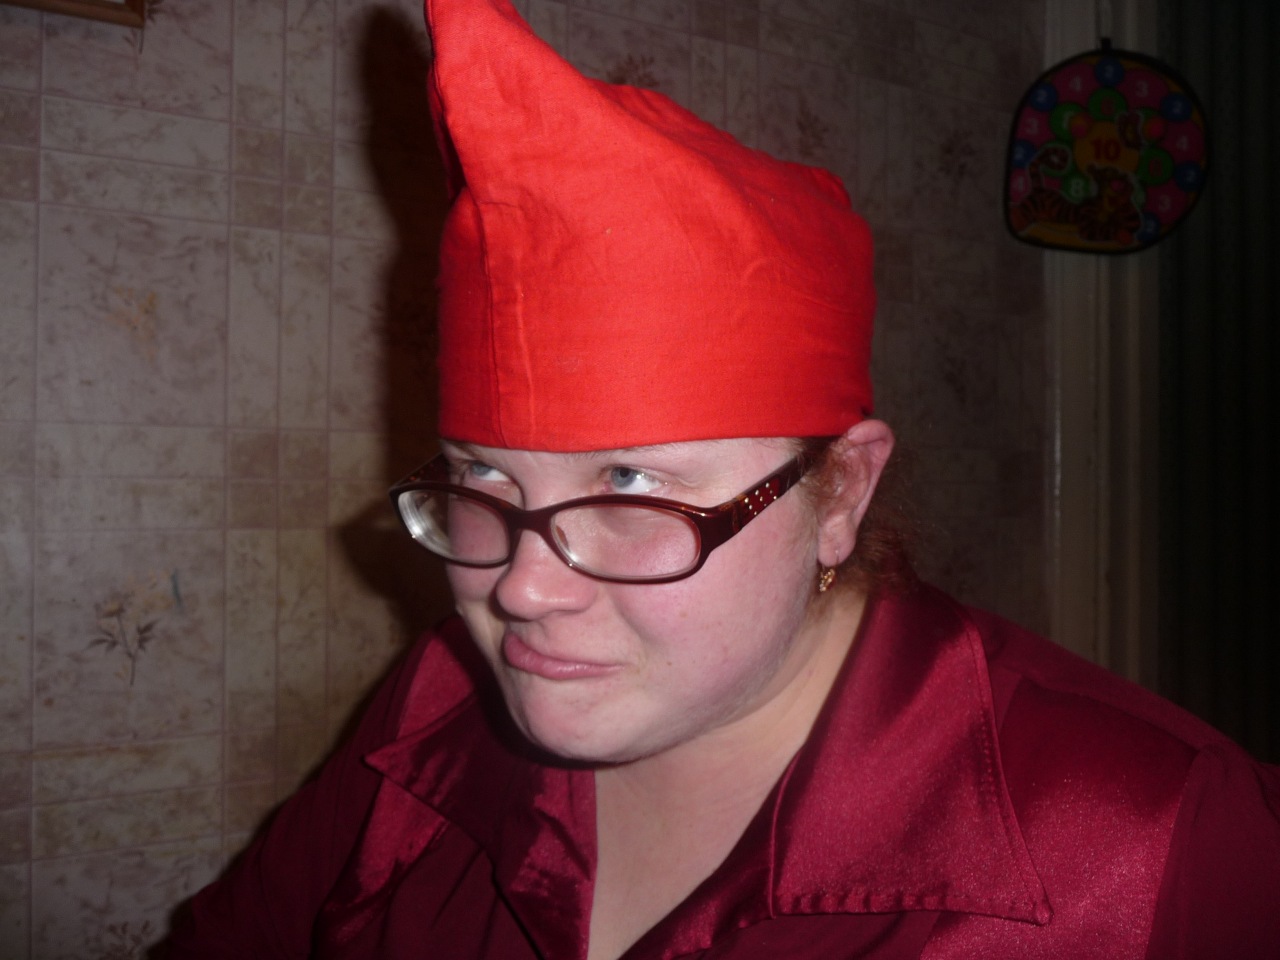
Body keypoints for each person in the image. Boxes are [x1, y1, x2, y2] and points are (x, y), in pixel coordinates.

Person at [164, 0, 1280, 956]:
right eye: (481, 479)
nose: (519, 590)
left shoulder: (1163, 844)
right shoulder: (436, 708)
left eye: (631, 487)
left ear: (840, 494)